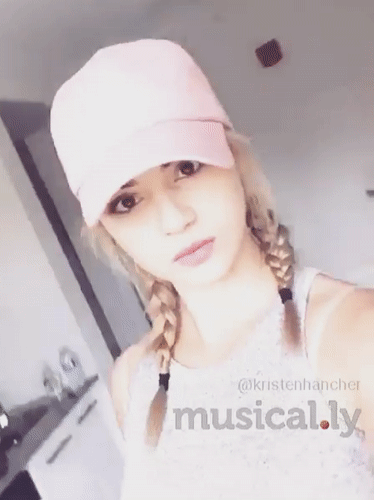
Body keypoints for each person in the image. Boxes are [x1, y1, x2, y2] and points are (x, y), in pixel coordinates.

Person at [49, 38, 374, 499]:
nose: (174, 219)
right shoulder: (132, 382)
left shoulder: (356, 336)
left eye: (187, 166)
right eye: (127, 201)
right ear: (110, 233)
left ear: (234, 159)